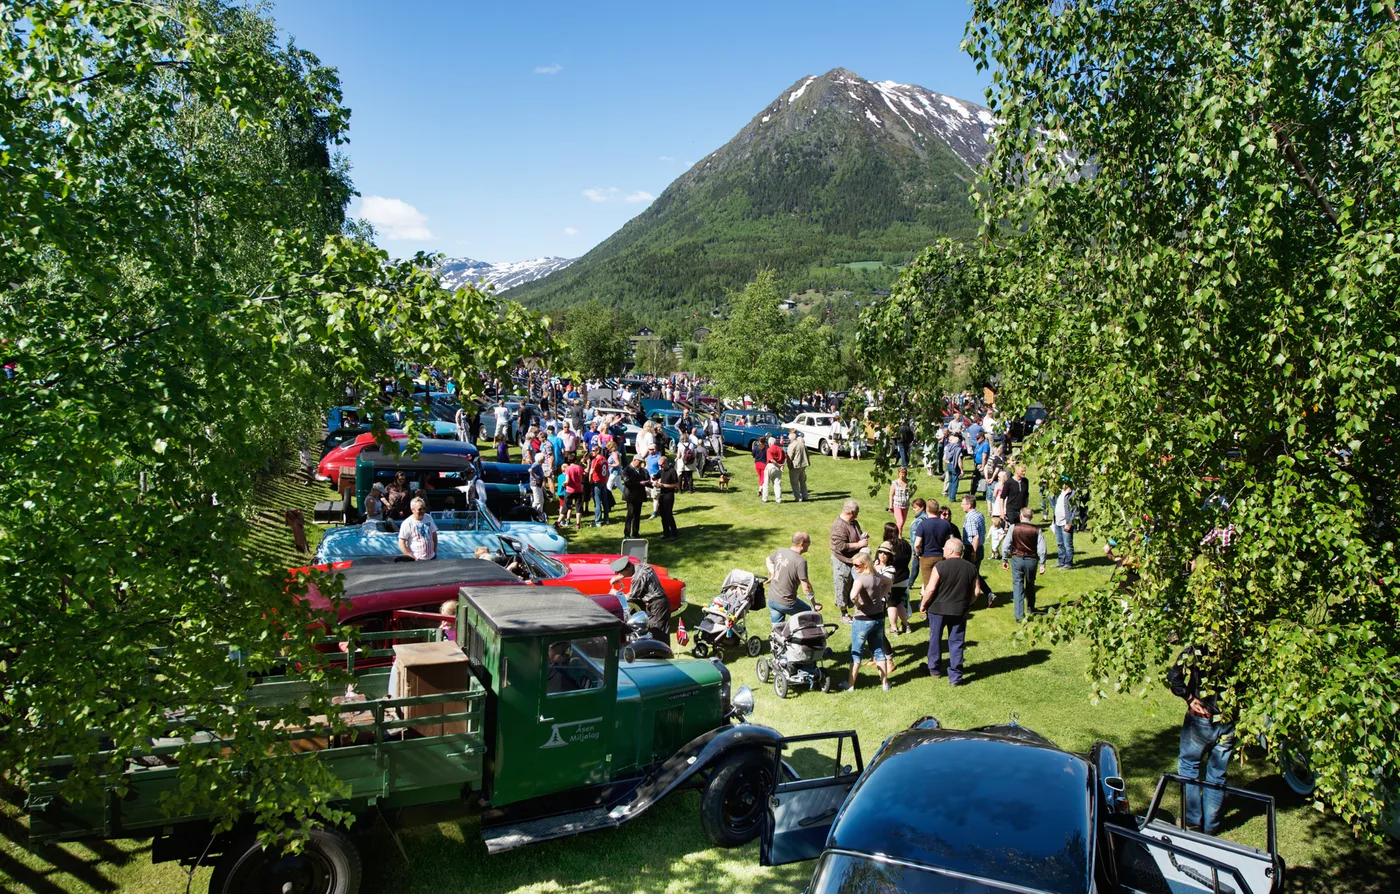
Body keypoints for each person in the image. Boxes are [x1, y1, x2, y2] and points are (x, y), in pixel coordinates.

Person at [1168, 646, 1235, 833]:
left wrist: (1189, 698)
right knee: (1217, 773)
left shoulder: (1198, 649)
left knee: (1189, 767)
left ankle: (1192, 822)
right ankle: (1211, 827)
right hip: (1229, 722)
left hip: (1201, 719)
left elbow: (1174, 677)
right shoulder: (1240, 650)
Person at [919, 538, 978, 686]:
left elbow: (931, 588)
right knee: (956, 642)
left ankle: (934, 668)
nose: (943, 550)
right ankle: (956, 677)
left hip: (938, 609)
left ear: (951, 551)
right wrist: (967, 603)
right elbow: (977, 591)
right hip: (959, 610)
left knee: (935, 638)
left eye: (945, 548)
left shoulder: (940, 566)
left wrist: (923, 604)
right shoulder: (971, 567)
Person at [847, 550, 893, 691]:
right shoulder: (877, 576)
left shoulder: (860, 580)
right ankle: (885, 684)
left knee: (856, 652)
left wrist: (860, 605)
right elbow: (890, 582)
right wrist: (881, 596)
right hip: (878, 618)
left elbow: (852, 596)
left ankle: (850, 685)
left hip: (862, 620)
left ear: (865, 565)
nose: (854, 568)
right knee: (879, 651)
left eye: (857, 565)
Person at [1000, 507, 1047, 622]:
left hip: (1017, 559)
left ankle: (1019, 615)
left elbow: (1006, 545)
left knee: (1018, 586)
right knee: (1030, 583)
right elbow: (1042, 549)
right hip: (1031, 560)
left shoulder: (1013, 527)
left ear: (1021, 516)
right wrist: (1042, 563)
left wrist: (1004, 559)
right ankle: (1030, 607)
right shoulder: (1036, 529)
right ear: (1031, 517)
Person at [610, 555, 670, 642]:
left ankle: (662, 653)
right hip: (658, 603)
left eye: (620, 573)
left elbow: (631, 597)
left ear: (627, 569)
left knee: (658, 633)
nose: (619, 575)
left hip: (657, 605)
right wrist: (620, 577)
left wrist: (616, 593)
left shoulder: (638, 577)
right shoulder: (643, 566)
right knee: (655, 630)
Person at [829, 500, 869, 625]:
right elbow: (841, 546)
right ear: (851, 512)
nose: (858, 514)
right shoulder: (838, 527)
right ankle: (844, 613)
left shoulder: (853, 522)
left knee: (856, 584)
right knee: (842, 585)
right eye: (857, 512)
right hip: (842, 561)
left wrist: (862, 536)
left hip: (855, 560)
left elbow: (857, 534)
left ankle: (858, 609)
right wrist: (859, 544)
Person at [766, 531, 818, 623]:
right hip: (786, 603)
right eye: (809, 542)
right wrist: (814, 605)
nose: (809, 545)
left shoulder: (780, 551)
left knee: (777, 629)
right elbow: (806, 588)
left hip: (772, 599)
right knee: (812, 617)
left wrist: (773, 573)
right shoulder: (800, 561)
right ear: (802, 543)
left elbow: (768, 560)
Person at [912, 500, 959, 588]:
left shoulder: (922, 524)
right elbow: (952, 541)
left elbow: (917, 544)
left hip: (926, 557)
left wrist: (918, 553)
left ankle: (928, 601)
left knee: (928, 585)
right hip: (942, 557)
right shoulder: (946, 524)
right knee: (942, 584)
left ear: (926, 509)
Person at [876, 529, 912, 636]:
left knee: (891, 603)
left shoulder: (886, 546)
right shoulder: (905, 544)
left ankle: (894, 628)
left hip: (892, 580)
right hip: (904, 579)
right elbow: (909, 557)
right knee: (899, 602)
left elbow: (879, 562)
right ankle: (906, 625)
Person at [397, 496, 438, 561]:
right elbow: (401, 543)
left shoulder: (428, 518)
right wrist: (409, 554)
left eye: (424, 509)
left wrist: (434, 551)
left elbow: (434, 536)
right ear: (412, 510)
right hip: (417, 559)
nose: (422, 511)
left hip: (431, 557)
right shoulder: (408, 523)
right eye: (419, 509)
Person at [1053, 479, 1079, 569]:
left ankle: (1068, 563)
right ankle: (1061, 561)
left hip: (1066, 522)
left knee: (1067, 544)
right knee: (1060, 543)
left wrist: (1070, 523)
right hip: (1058, 522)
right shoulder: (1060, 493)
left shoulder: (1072, 494)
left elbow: (1076, 510)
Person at [621, 455, 648, 538]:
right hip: (631, 496)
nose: (640, 464)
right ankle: (627, 533)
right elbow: (627, 483)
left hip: (639, 495)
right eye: (639, 462)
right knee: (630, 515)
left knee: (637, 515)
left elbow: (646, 479)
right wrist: (639, 483)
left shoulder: (642, 470)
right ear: (634, 460)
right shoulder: (627, 470)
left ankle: (635, 532)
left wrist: (652, 483)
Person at [654, 455, 680, 540]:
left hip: (669, 495)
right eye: (659, 465)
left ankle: (674, 533)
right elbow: (655, 476)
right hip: (662, 495)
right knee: (663, 515)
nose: (660, 467)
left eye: (661, 465)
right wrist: (653, 478)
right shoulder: (661, 471)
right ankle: (666, 533)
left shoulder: (672, 471)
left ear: (665, 463)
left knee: (668, 514)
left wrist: (663, 485)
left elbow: (676, 485)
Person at [887, 466, 913, 536]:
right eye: (901, 473)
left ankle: (897, 533)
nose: (902, 475)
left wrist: (910, 496)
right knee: (900, 522)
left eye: (904, 473)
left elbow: (913, 490)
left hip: (906, 505)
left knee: (902, 523)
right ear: (898, 473)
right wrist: (890, 506)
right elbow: (891, 495)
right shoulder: (895, 483)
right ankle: (899, 535)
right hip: (897, 505)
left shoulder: (909, 482)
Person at [589, 444, 610, 526]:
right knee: (605, 501)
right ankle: (606, 519)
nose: (592, 452)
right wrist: (606, 481)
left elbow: (591, 471)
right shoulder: (604, 459)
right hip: (603, 482)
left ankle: (598, 521)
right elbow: (607, 472)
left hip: (596, 482)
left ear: (598, 451)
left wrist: (590, 480)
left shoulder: (595, 460)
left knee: (597, 502)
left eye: (593, 451)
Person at [787, 430, 810, 502]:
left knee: (794, 482)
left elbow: (789, 458)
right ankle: (805, 496)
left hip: (796, 466)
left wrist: (789, 466)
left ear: (790, 439)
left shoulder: (791, 445)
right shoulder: (801, 444)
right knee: (802, 481)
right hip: (803, 465)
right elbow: (807, 454)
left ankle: (798, 497)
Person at [763, 436, 786, 503]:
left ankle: (765, 498)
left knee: (766, 483)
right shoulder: (780, 449)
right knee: (777, 483)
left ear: (770, 443)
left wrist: (778, 465)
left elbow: (772, 460)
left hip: (771, 466)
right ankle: (778, 499)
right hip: (778, 468)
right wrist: (782, 466)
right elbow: (785, 458)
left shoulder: (769, 449)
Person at [942, 432, 963, 501]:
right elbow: (959, 460)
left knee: (950, 481)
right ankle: (952, 498)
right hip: (955, 466)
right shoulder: (958, 448)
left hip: (948, 465)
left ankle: (950, 496)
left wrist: (947, 463)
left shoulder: (947, 447)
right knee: (955, 482)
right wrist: (961, 470)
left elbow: (944, 458)